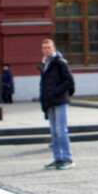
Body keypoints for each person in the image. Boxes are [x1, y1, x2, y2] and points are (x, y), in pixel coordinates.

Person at [39, 39, 76, 169]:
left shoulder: (60, 62)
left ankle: (68, 159)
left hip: (59, 100)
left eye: (49, 47)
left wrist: (57, 92)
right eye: (44, 48)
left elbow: (69, 81)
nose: (47, 50)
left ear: (54, 48)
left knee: (61, 130)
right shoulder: (45, 64)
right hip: (50, 101)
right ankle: (58, 158)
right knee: (54, 132)